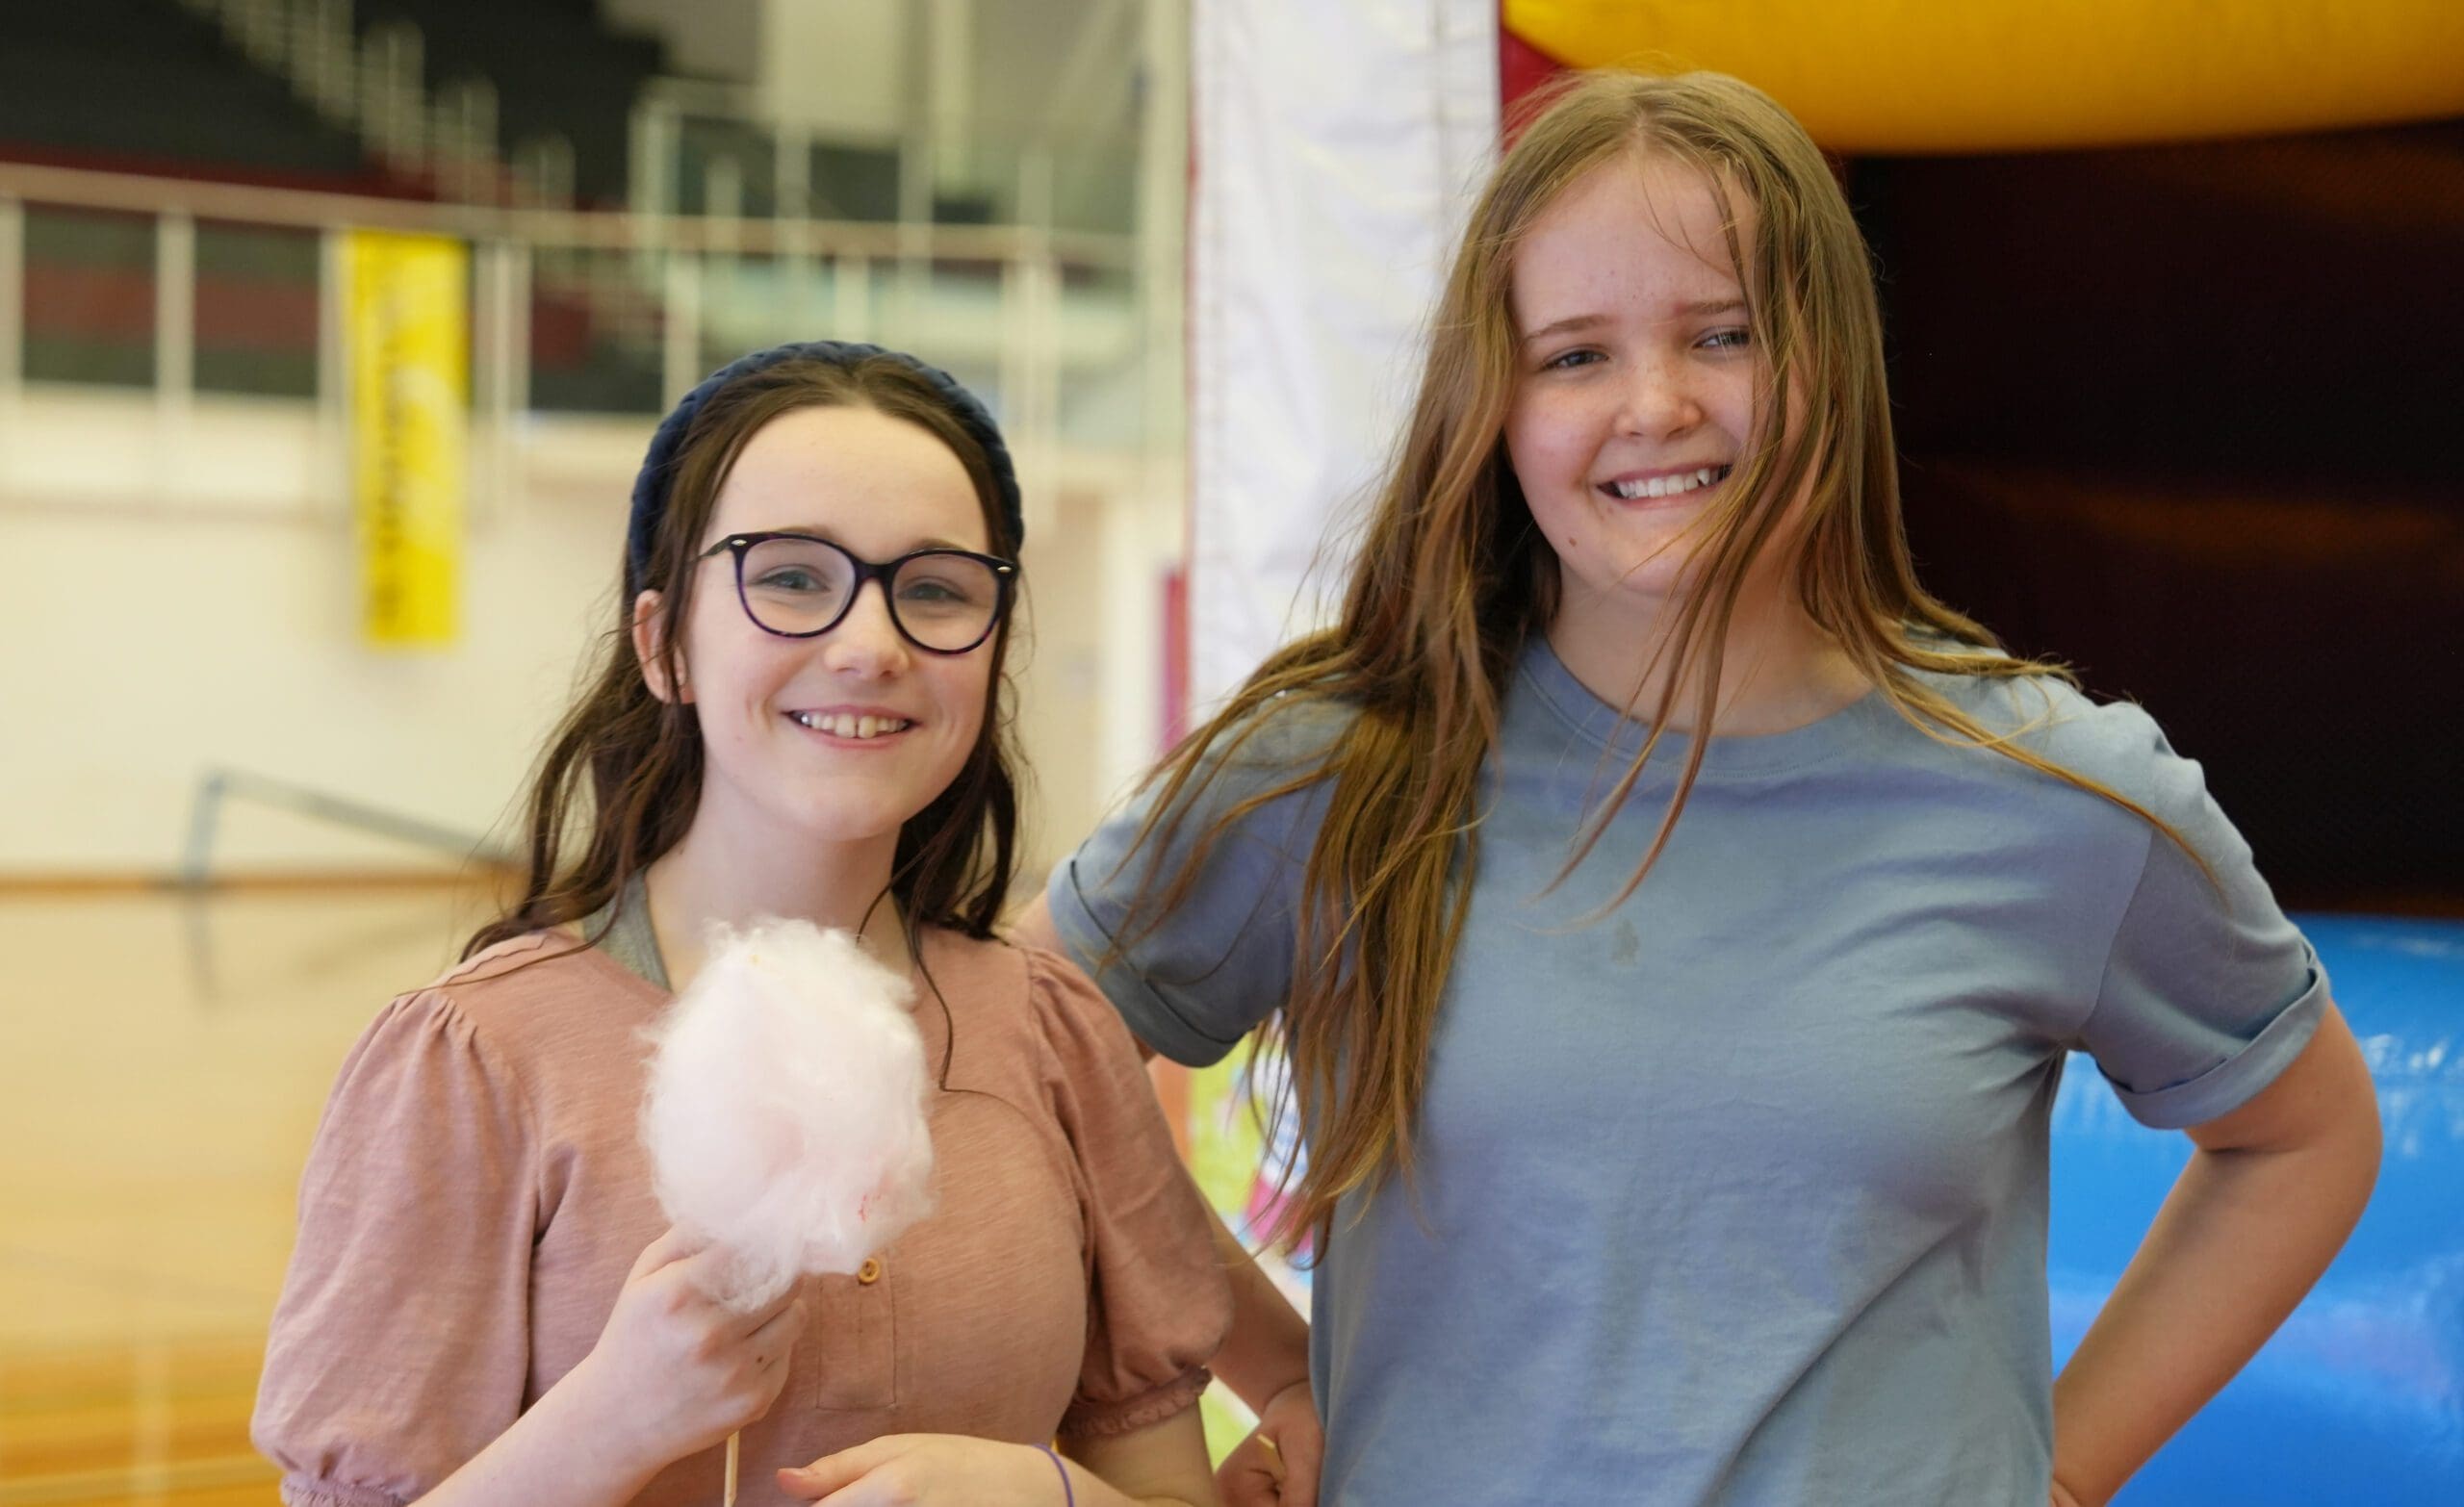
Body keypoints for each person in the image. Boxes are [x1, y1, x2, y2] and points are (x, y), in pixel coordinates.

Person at [1016, 71, 2382, 1507]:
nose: (1655, 406)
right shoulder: (1342, 768)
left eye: (1723, 334)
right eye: (1574, 356)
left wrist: (2060, 1471)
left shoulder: (2058, 793)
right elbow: (1020, 1057)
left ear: (1831, 361)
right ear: (1494, 407)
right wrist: (1280, 1367)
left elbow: (2303, 1135)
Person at [254, 342, 1230, 1507]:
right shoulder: (473, 1063)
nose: (870, 646)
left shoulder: (1057, 1038)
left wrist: (1049, 1497)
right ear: (662, 642)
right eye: (793, 577)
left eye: (935, 590)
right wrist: (611, 1421)